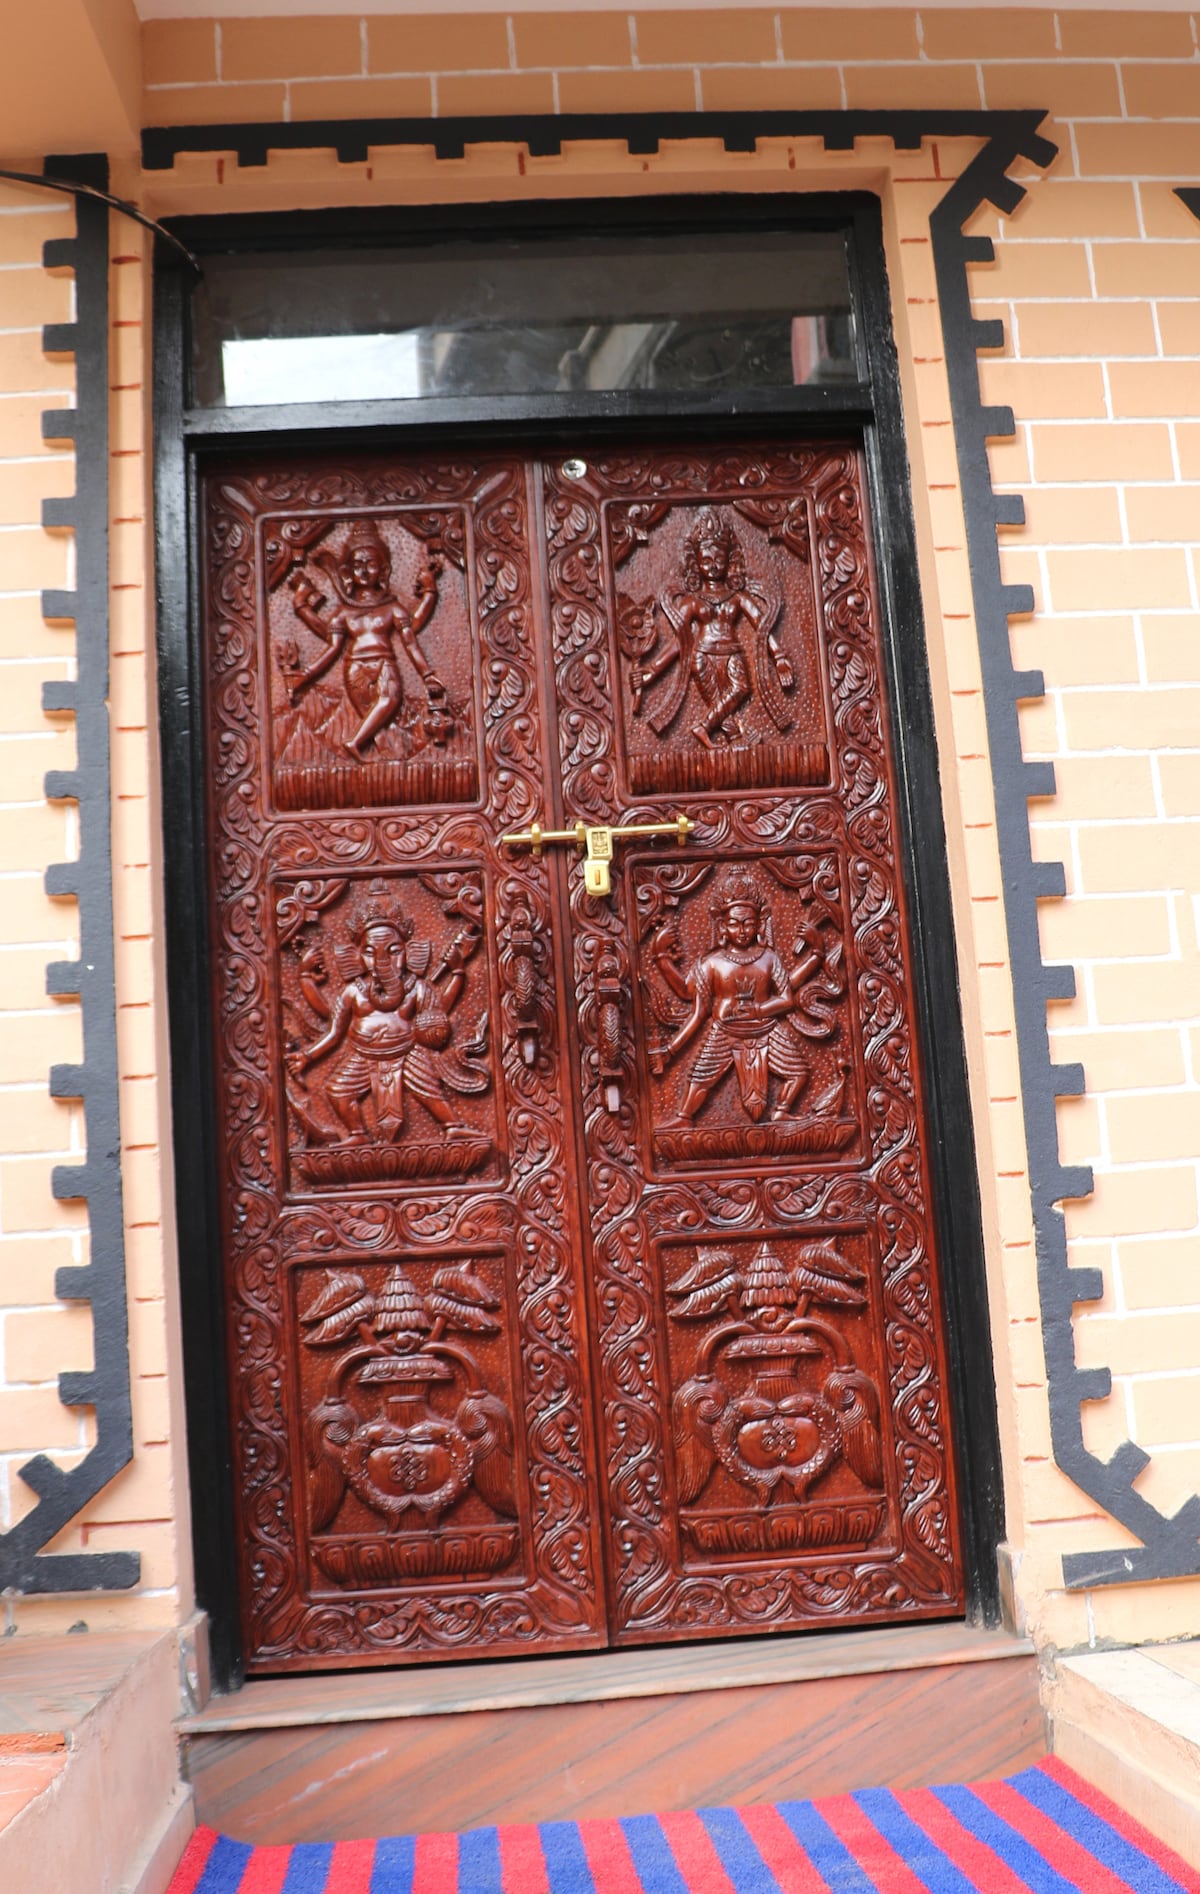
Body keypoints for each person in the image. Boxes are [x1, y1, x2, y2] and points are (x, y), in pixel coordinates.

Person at [289, 887, 466, 1143]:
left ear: (409, 952)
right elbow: (333, 1028)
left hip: (407, 1053)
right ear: (356, 957)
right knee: (337, 1091)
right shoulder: (354, 992)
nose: (382, 960)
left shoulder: (415, 986)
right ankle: (358, 1133)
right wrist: (307, 1056)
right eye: (371, 953)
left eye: (394, 951)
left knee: (430, 1090)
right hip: (363, 1055)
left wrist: (458, 972)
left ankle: (453, 1126)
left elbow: (440, 1009)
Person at [652, 872, 821, 1125]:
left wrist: (759, 1010)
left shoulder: (768, 958)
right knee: (700, 1078)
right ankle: (684, 1116)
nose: (742, 930)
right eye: (734, 923)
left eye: (748, 923)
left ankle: (781, 1111)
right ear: (722, 926)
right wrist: (661, 958)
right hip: (725, 1031)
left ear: (758, 926)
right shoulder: (713, 962)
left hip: (765, 1029)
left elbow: (786, 999)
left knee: (799, 1073)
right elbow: (689, 997)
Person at [634, 508, 794, 748]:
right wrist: (652, 671)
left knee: (742, 688)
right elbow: (680, 641)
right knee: (722, 705)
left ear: (729, 560)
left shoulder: (737, 597)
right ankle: (734, 740)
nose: (712, 566)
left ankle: (705, 727)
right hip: (703, 656)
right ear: (695, 563)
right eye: (706, 560)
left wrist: (779, 656)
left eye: (718, 559)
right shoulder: (692, 601)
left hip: (733, 652)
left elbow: (762, 625)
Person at [285, 518, 445, 758]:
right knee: (377, 723)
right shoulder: (345, 612)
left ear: (383, 570)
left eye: (370, 563)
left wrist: (427, 675)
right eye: (357, 564)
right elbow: (331, 648)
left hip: (385, 664)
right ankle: (371, 753)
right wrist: (304, 677)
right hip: (355, 669)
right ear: (347, 572)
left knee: (389, 701)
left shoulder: (392, 607)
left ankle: (362, 746)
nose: (363, 570)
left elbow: (411, 636)